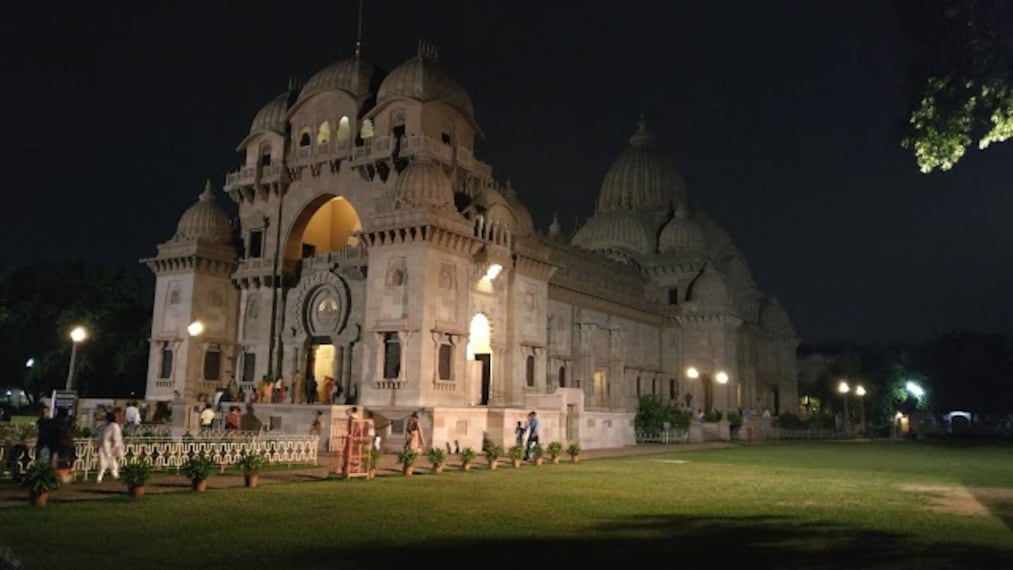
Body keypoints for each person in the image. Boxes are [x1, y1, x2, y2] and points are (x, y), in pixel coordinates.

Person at [96, 412, 124, 483]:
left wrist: (115, 446)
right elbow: (102, 436)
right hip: (104, 446)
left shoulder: (114, 426)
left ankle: (114, 476)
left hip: (110, 446)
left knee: (111, 460)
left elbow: (116, 437)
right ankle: (102, 477)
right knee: (104, 460)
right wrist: (98, 444)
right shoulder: (106, 426)